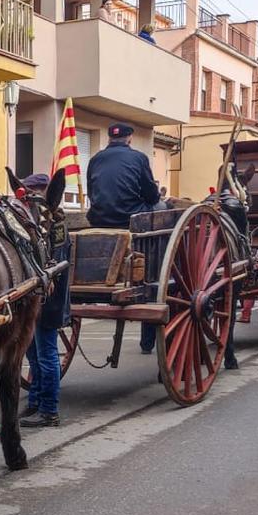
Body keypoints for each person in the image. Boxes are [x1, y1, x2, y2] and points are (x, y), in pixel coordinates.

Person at [86, 122, 161, 353]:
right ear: (130, 138)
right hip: (131, 219)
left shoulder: (95, 159)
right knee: (162, 209)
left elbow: (92, 191)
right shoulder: (138, 158)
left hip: (98, 218)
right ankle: (154, 272)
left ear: (110, 138)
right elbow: (150, 193)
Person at [19, 173, 71, 429]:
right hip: (35, 297)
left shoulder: (57, 226)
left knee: (47, 354)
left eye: (32, 193)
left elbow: (55, 263)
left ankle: (49, 410)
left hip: (49, 298)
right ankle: (35, 401)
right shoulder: (36, 223)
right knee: (33, 353)